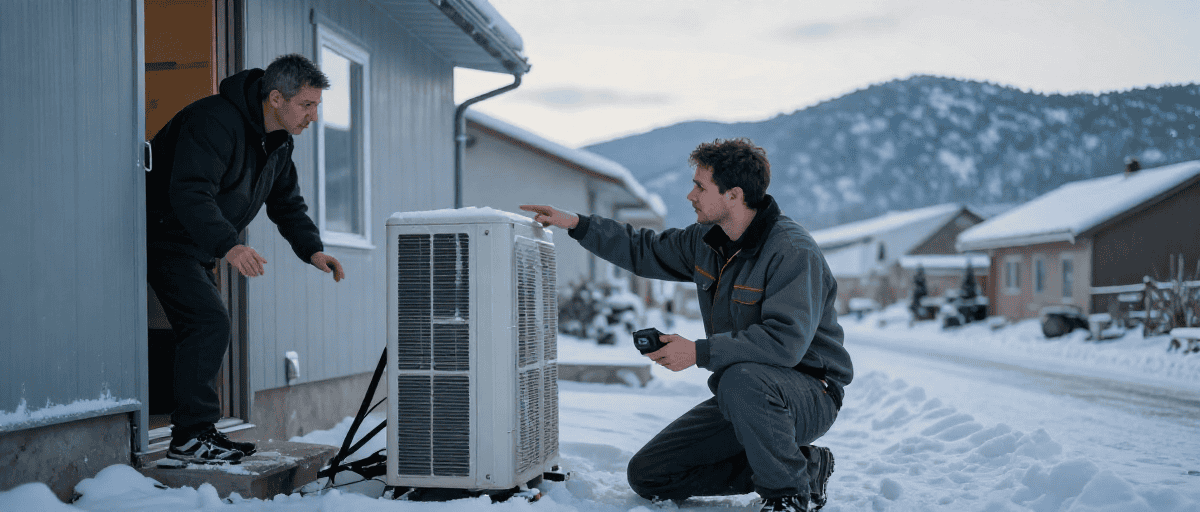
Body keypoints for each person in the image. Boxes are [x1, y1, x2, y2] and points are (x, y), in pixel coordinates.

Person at [521, 138, 852, 512]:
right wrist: (578, 225)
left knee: (741, 378)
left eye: (700, 186)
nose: (690, 195)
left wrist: (697, 352)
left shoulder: (792, 252)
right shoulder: (707, 242)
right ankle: (806, 467)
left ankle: (789, 495)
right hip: (744, 397)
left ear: (733, 195)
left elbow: (784, 343)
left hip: (809, 393)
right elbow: (643, 249)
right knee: (650, 475)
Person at [146, 53, 346, 464]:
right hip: (164, 237)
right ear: (276, 98)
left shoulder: (277, 142)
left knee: (207, 326)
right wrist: (230, 244)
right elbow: (190, 191)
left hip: (198, 245)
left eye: (316, 107)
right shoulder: (214, 122)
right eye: (306, 105)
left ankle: (199, 431)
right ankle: (189, 437)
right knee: (207, 322)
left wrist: (313, 249)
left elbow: (287, 204)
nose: (312, 116)